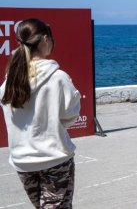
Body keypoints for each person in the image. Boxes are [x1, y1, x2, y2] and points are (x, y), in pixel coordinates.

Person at [1, 18, 81, 208]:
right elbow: (70, 116)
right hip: (53, 158)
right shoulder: (58, 78)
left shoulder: (10, 79)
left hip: (22, 161)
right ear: (45, 39)